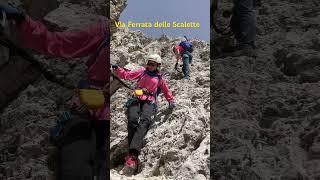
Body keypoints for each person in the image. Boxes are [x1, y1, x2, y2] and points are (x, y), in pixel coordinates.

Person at [0, 3, 110, 179]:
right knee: (74, 170)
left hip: (111, 118)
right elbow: (58, 42)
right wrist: (22, 20)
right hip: (84, 110)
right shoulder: (105, 32)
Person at [112, 54, 175, 175]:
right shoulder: (142, 71)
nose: (149, 65)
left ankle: (132, 156)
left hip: (149, 100)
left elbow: (166, 90)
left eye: (152, 64)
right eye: (148, 63)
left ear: (157, 66)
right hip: (136, 96)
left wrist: (170, 100)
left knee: (145, 120)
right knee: (132, 120)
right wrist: (117, 69)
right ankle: (131, 156)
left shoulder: (159, 78)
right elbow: (128, 75)